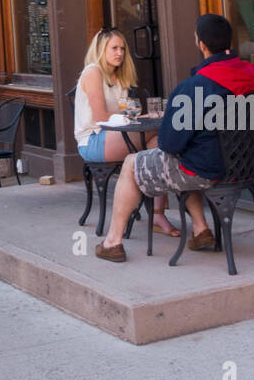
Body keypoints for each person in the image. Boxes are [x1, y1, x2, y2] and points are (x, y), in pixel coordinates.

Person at [95, 13, 254, 263]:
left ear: (201, 44)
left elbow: (169, 144)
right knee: (188, 158)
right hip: (244, 169)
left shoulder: (192, 88)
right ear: (229, 43)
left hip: (204, 171)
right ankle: (201, 230)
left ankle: (112, 242)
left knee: (132, 163)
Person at [75, 28, 179, 238]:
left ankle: (157, 214)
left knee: (159, 144)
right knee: (159, 130)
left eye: (122, 48)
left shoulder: (119, 76)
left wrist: (139, 116)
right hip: (93, 141)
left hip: (114, 137)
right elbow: (102, 116)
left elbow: (126, 115)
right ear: (101, 49)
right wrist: (141, 118)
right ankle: (154, 210)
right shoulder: (93, 72)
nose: (120, 53)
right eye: (114, 48)